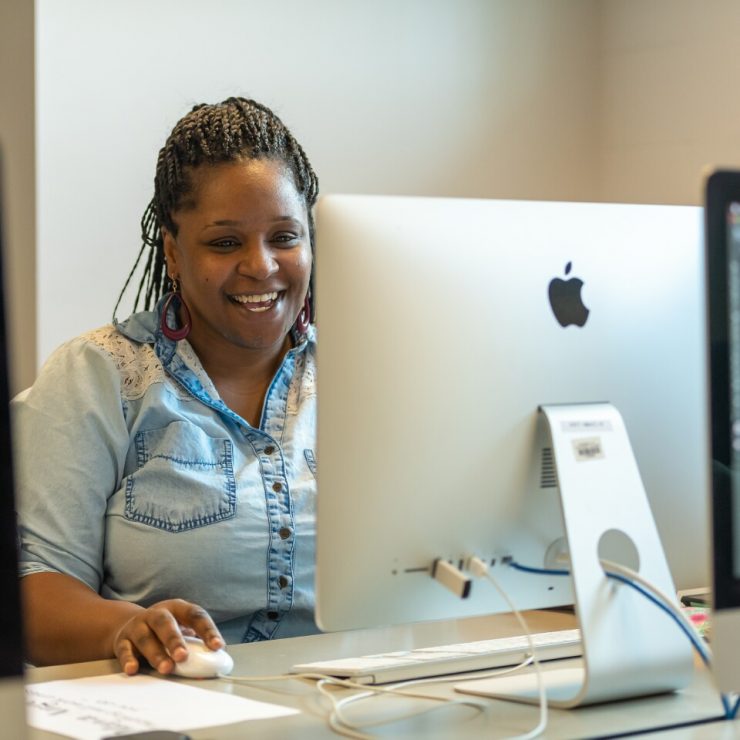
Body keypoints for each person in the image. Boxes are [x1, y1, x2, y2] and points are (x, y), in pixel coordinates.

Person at [13, 97, 320, 675]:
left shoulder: (364, 375)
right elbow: (33, 596)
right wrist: (124, 626)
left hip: (366, 697)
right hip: (175, 707)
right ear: (174, 255)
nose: (262, 265)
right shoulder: (98, 377)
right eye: (225, 243)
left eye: (284, 236)